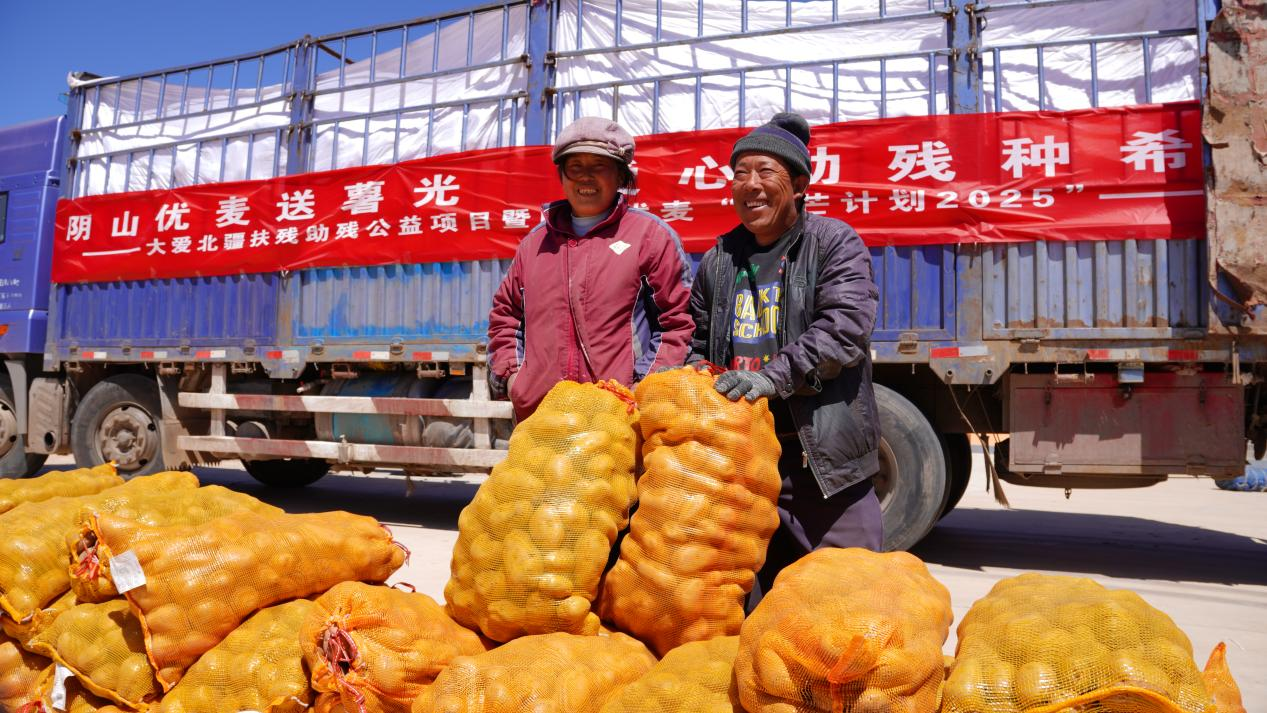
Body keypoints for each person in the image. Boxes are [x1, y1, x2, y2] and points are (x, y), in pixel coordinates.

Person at [686, 112, 883, 607]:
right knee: (754, 614)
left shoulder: (833, 243)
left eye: (765, 172)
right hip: (745, 467)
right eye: (740, 174)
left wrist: (772, 379)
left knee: (850, 602)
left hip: (822, 464)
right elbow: (697, 341)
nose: (750, 185)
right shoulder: (719, 260)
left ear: (798, 185)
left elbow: (844, 329)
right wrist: (691, 377)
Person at [488, 117, 694, 420]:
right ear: (561, 175)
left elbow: (676, 324)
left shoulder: (650, 237)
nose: (586, 177)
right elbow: (505, 317)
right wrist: (515, 378)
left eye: (599, 166)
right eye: (575, 167)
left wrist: (643, 387)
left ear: (620, 175)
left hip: (619, 418)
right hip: (542, 418)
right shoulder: (534, 244)